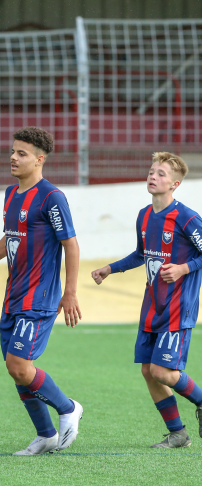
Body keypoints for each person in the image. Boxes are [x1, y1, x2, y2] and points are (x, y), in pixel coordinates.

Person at [0, 127, 83, 455]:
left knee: (20, 365)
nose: (13, 157)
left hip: (40, 297)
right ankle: (45, 434)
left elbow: (70, 245)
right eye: (13, 151)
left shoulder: (52, 197)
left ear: (39, 160)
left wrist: (70, 292)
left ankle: (68, 408)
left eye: (22, 153)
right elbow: (11, 236)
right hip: (13, 295)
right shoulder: (11, 194)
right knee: (15, 369)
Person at [91, 152, 202, 448]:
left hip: (179, 306)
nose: (153, 176)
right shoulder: (144, 214)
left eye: (162, 173)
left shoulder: (187, 217)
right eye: (152, 171)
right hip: (153, 305)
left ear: (175, 184)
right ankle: (178, 433)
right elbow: (142, 254)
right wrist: (110, 268)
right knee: (147, 371)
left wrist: (183, 268)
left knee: (162, 371)